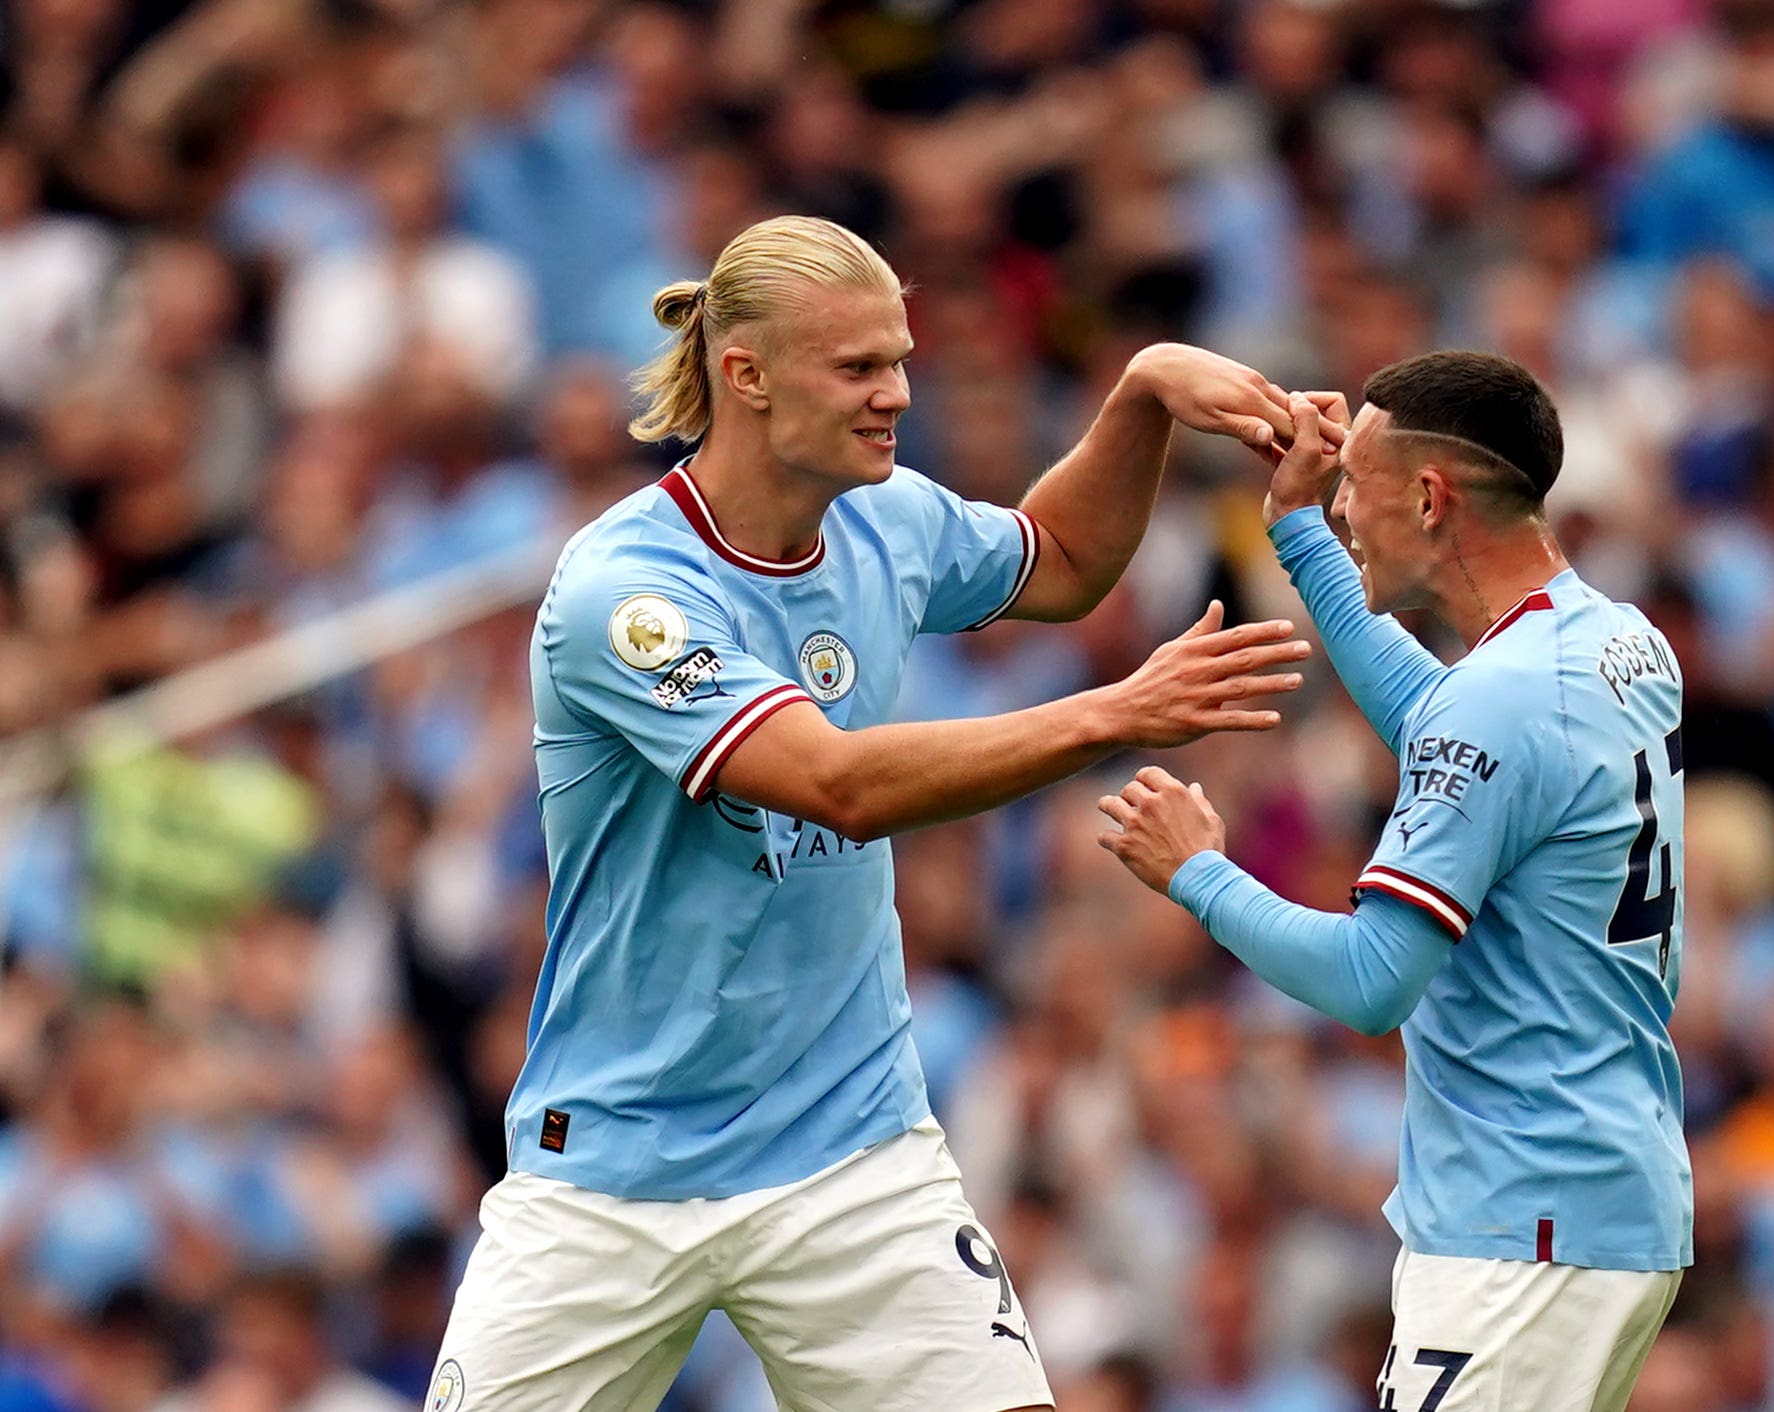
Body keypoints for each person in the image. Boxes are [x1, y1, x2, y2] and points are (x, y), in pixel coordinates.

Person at [429, 214, 1309, 1412]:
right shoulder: (624, 595)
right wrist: (1113, 712)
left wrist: (1143, 392)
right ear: (746, 375)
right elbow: (836, 786)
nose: (898, 392)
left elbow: (1056, 560)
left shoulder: (883, 515)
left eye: (900, 358)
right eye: (859, 367)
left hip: (850, 1144)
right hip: (620, 1166)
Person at [1096, 351, 1692, 1412]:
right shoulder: (1616, 640)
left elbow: (1374, 978)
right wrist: (1299, 534)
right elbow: (1446, 726)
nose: (1344, 504)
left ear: (1429, 495)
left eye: (1354, 483)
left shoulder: (1504, 699)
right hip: (1603, 1196)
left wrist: (1197, 871)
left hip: (1523, 1225)